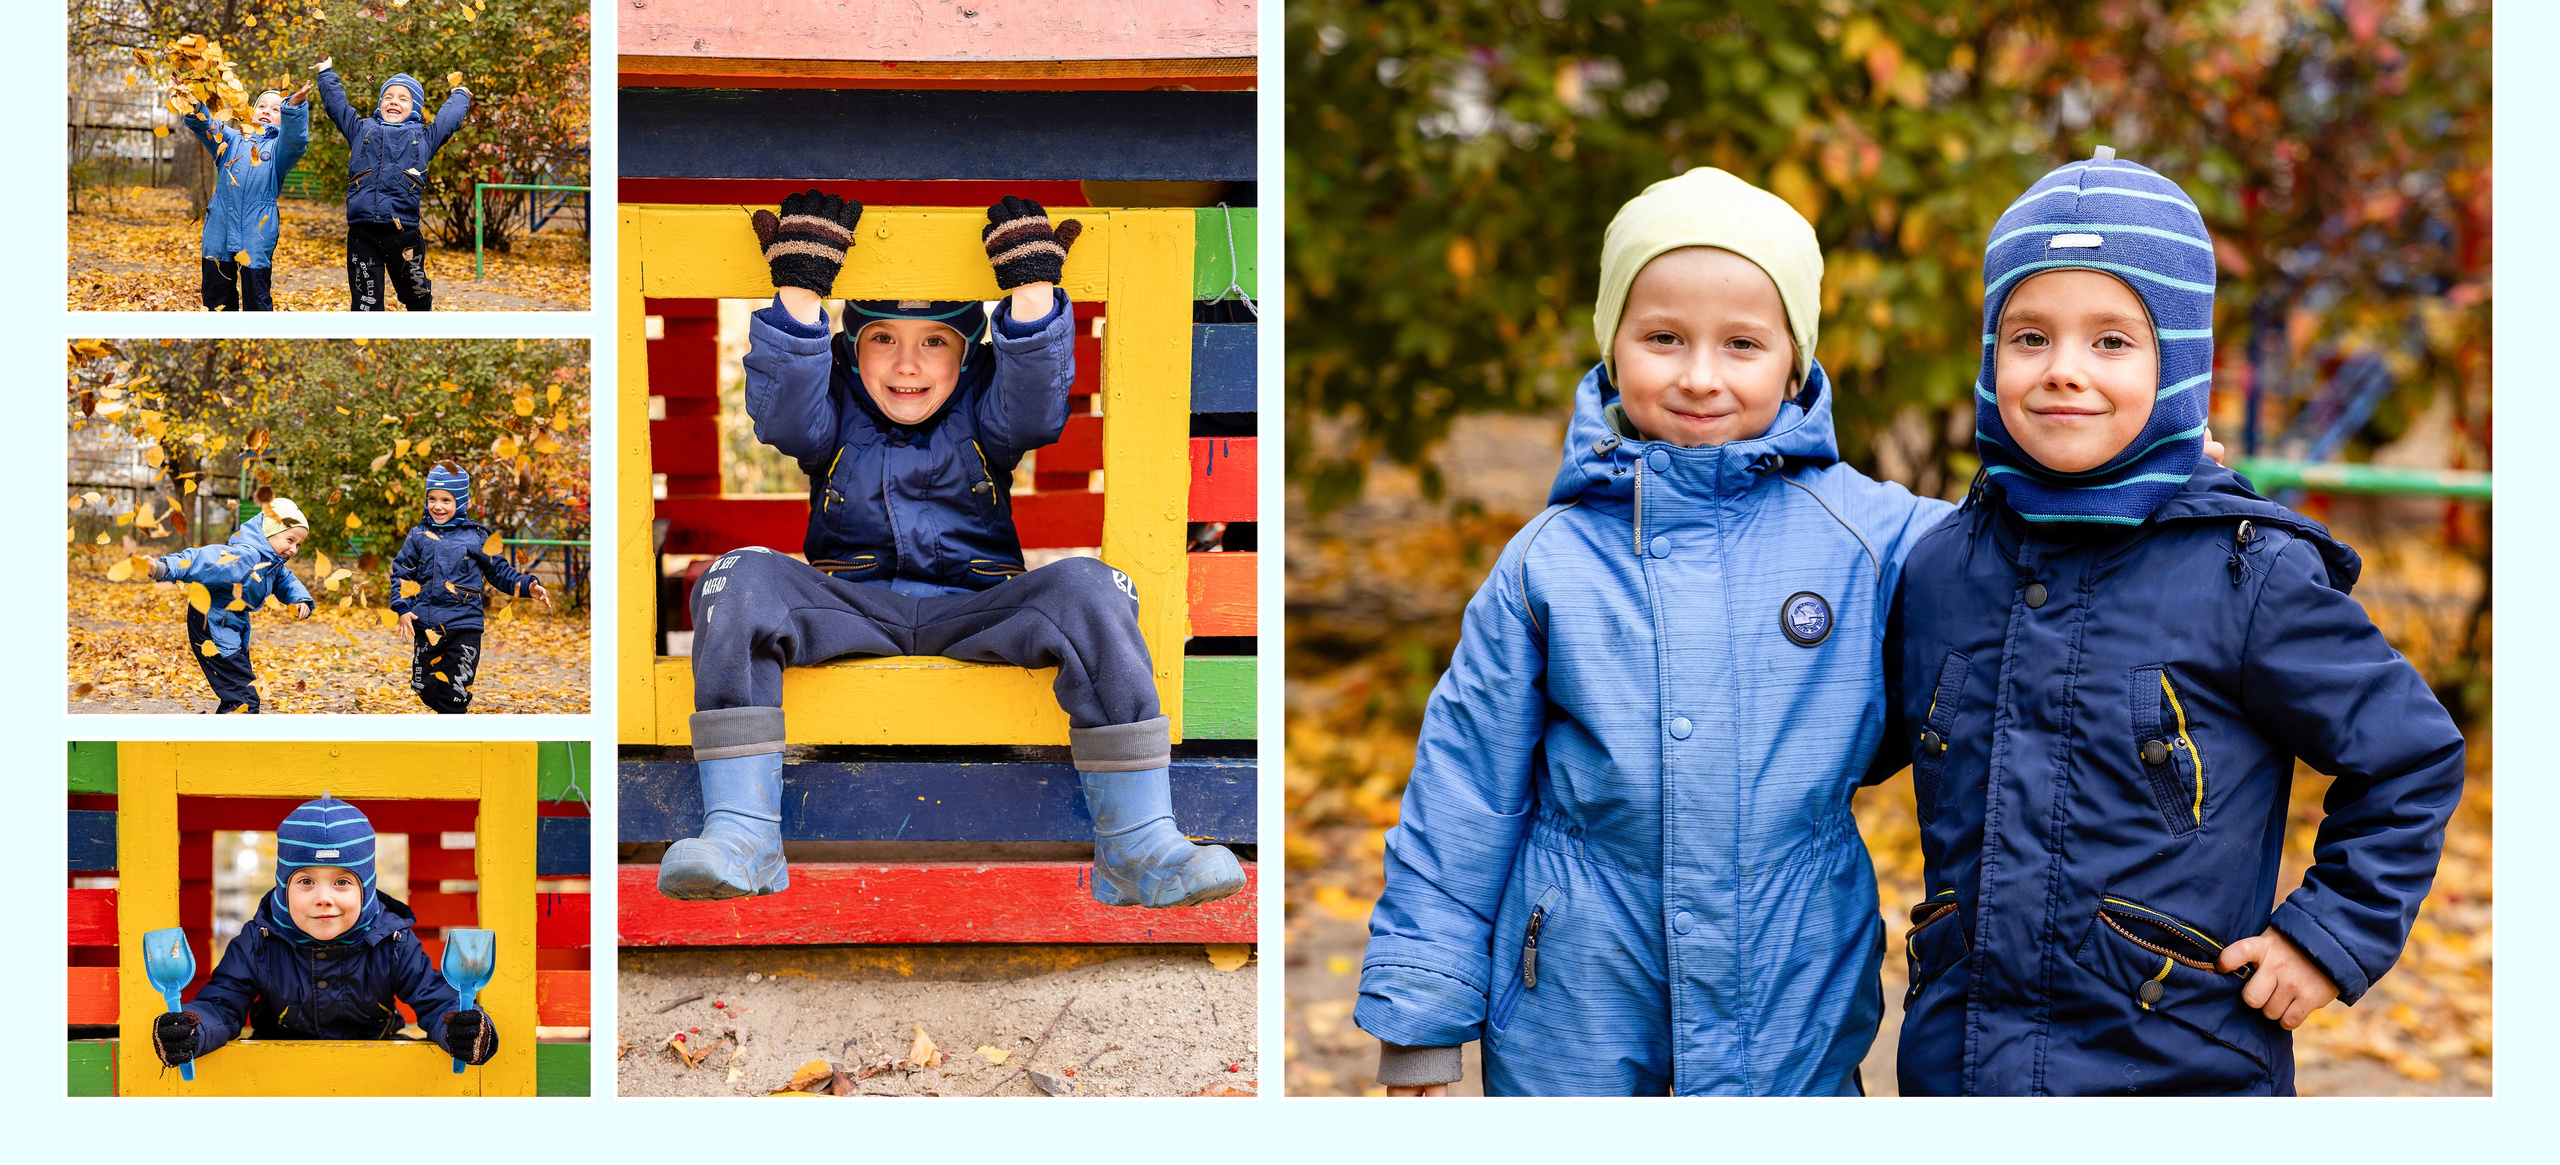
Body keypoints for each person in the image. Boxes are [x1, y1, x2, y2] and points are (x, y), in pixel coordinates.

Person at [1874, 148, 2466, 1096]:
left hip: (2178, 1067)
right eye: (2029, 336)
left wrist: (2328, 937)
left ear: (2178, 361)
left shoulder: (2247, 572)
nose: (2064, 370)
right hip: (1963, 1064)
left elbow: (2409, 755)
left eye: (2112, 341)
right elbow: (1855, 739)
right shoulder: (1946, 563)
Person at [1355, 169, 1952, 1096]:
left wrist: (2145, 477)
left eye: (1742, 343)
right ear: (1613, 345)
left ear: (1794, 361)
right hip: (1578, 991)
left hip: (1792, 977)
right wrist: (1422, 1024)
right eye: (1663, 337)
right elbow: (1464, 788)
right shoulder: (1548, 563)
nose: (1700, 374)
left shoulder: (1870, 535)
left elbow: (2018, 548)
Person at [659, 192, 1244, 912]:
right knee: (735, 579)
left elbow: (1034, 403)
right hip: (852, 606)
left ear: (967, 353)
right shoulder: (831, 405)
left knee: (1095, 589)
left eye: (934, 340)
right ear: (852, 346)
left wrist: (1031, 295)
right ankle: (742, 833)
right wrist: (800, 296)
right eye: (883, 339)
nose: (907, 364)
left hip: (977, 607)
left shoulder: (983, 406)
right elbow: (783, 413)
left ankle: (1141, 842)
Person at [147, 795, 497, 1069]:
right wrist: (194, 1029)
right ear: (284, 887)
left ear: (367, 889)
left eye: (342, 882)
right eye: (306, 881)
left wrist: (460, 1028)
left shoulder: (392, 941)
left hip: (374, 1069)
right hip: (277, 1070)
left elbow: (435, 999)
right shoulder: (260, 940)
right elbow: (223, 1003)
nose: (324, 899)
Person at [387, 462, 550, 714]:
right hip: (427, 623)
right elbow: (402, 573)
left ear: (461, 502)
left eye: (446, 500)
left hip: (465, 624)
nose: (437, 506)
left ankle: (453, 725)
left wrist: (528, 586)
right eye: (432, 498)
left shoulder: (477, 537)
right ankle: (446, 715)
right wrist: (401, 607)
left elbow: (500, 572)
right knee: (423, 684)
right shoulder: (417, 535)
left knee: (457, 690)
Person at [312, 58, 470, 310]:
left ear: (414, 107)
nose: (394, 101)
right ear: (380, 104)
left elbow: (447, 120)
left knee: (416, 293)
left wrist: (460, 95)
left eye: (403, 98)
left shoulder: (423, 137)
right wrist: (326, 73)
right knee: (365, 301)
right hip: (363, 232)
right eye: (388, 96)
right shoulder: (361, 129)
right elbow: (337, 107)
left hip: (403, 231)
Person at [137, 496, 316, 715]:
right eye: (290, 540)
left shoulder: (271, 564)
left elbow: (285, 580)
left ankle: (227, 735)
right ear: (268, 532)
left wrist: (300, 599)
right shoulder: (245, 555)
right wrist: (165, 567)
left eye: (299, 544)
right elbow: (203, 560)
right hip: (210, 623)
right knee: (243, 696)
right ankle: (233, 743)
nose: (294, 549)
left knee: (239, 689)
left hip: (230, 623)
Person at [177, 83, 310, 310]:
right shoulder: (230, 138)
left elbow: (295, 140)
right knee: (216, 293)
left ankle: (254, 339)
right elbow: (206, 126)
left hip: (256, 230)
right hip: (219, 225)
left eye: (276, 109)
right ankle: (221, 340)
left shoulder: (279, 149)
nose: (267, 111)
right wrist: (193, 104)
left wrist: (294, 109)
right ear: (252, 112)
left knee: (256, 296)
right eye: (262, 106)